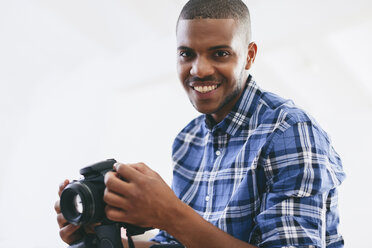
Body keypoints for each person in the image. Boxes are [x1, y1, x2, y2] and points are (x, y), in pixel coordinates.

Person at [55, 0, 346, 247]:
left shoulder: (289, 130)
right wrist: (96, 236)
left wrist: (169, 213)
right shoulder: (188, 141)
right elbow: (180, 243)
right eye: (187, 54)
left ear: (249, 56)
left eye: (220, 53)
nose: (200, 69)